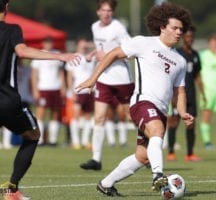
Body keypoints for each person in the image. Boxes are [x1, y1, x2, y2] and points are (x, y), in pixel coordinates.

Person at [76, 2, 193, 197]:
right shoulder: (143, 43)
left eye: (181, 29)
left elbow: (180, 91)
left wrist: (182, 112)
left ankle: (106, 184)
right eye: (174, 28)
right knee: (157, 129)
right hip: (142, 102)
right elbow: (113, 54)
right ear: (162, 27)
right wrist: (93, 79)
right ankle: (158, 177)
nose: (179, 32)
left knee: (143, 156)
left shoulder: (180, 60)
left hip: (161, 111)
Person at [0, 0, 79, 199]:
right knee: (33, 134)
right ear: (7, 7)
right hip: (6, 100)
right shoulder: (11, 29)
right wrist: (59, 57)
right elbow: (23, 51)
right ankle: (12, 189)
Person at [79, 0, 134, 171]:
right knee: (99, 117)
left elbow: (130, 52)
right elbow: (102, 48)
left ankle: (146, 151)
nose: (106, 13)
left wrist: (108, 55)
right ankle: (96, 159)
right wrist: (94, 54)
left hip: (122, 78)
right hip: (104, 78)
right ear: (98, 12)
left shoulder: (118, 28)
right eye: (103, 10)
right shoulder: (95, 27)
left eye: (109, 11)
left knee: (131, 116)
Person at [167, 26, 205, 162]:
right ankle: (170, 152)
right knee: (174, 122)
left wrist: (203, 93)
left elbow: (197, 76)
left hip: (191, 94)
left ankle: (190, 153)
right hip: (178, 94)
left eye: (192, 37)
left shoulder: (195, 55)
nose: (190, 39)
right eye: (187, 37)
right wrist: (172, 95)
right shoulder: (176, 54)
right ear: (183, 38)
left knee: (191, 123)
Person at [31, 37, 66, 146]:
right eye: (46, 42)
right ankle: (40, 139)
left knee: (55, 114)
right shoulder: (38, 54)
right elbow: (34, 75)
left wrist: (63, 87)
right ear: (43, 43)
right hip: (43, 88)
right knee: (41, 113)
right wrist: (35, 90)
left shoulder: (57, 54)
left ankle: (53, 140)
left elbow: (61, 73)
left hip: (55, 87)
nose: (48, 44)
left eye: (50, 42)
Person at [66, 37, 95, 150]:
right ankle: (75, 141)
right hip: (77, 90)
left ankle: (85, 141)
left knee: (88, 116)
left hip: (89, 90)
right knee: (76, 115)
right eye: (82, 44)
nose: (84, 46)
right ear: (77, 45)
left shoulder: (91, 58)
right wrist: (70, 90)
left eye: (85, 44)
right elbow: (69, 76)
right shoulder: (73, 57)